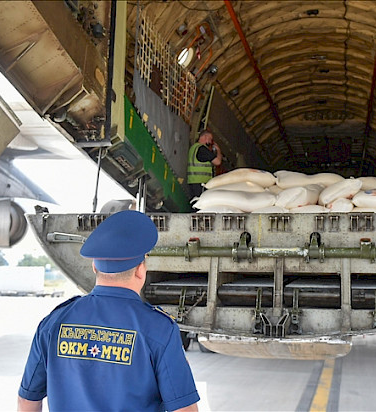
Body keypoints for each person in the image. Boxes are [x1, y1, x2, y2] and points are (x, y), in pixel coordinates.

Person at [17, 210, 200, 411]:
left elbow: (27, 401)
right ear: (140, 270)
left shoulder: (54, 323)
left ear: (94, 267)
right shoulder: (159, 329)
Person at [187, 129, 222, 200]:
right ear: (205, 137)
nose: (210, 142)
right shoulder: (202, 149)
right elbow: (218, 162)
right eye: (210, 139)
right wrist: (218, 150)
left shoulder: (193, 148)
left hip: (193, 182)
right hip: (201, 183)